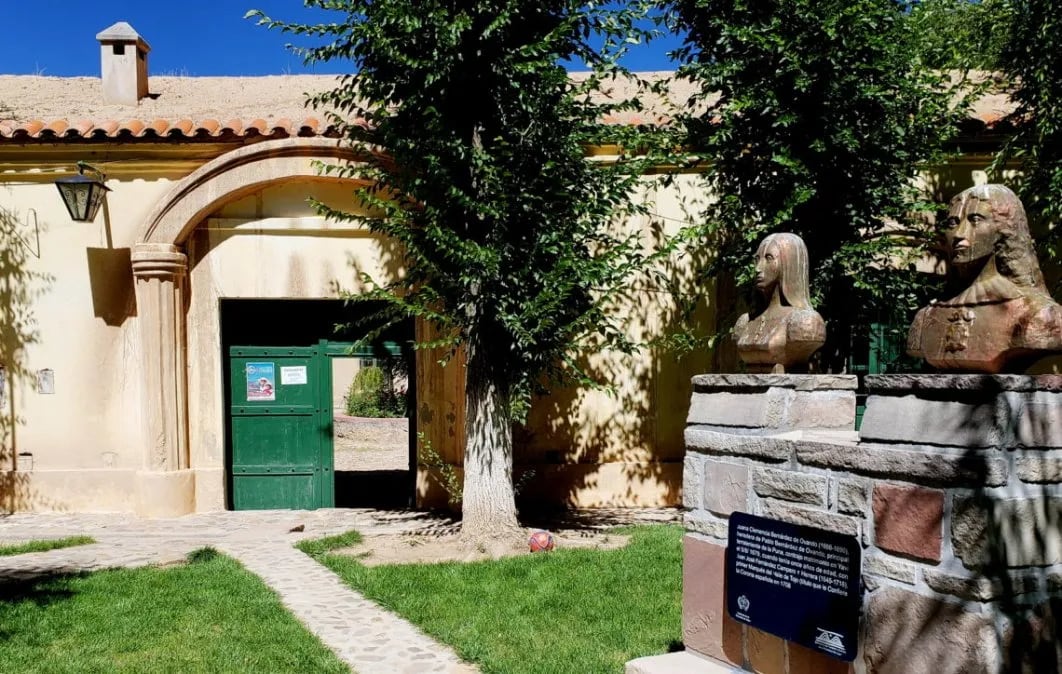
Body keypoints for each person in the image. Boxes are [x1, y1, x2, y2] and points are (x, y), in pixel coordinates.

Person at [907, 184, 1062, 373]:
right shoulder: (926, 317)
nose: (958, 234)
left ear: (1003, 230)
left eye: (975, 219)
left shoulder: (1039, 315)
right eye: (952, 223)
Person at [734, 232, 826, 373]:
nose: (757, 268)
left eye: (768, 258)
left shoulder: (805, 322)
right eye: (757, 259)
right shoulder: (745, 322)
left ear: (789, 263)